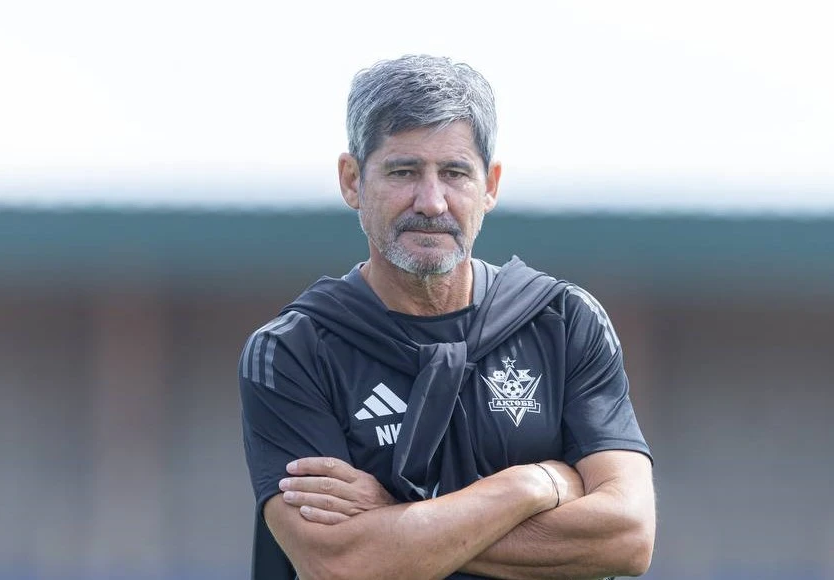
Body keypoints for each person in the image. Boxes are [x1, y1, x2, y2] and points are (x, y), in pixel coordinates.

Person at [239, 54, 655, 580]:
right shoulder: (291, 351)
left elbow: (628, 537)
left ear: (490, 185)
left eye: (455, 173)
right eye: (404, 171)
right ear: (352, 181)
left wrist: (394, 519)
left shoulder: (565, 322)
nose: (432, 202)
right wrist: (529, 486)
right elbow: (338, 562)